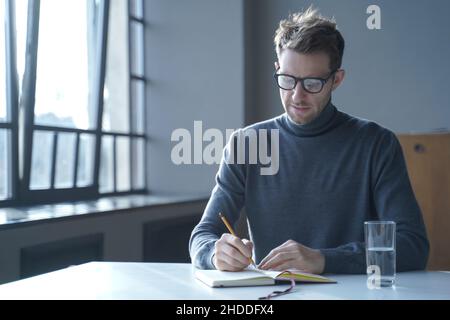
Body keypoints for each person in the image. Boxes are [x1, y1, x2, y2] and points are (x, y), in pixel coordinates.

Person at [189, 7, 429, 274]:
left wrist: (324, 260)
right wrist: (214, 254)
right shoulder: (246, 145)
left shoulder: (377, 144)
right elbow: (202, 236)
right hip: (270, 296)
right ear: (277, 69)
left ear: (336, 80)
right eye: (287, 80)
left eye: (312, 83)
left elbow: (413, 247)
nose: (296, 96)